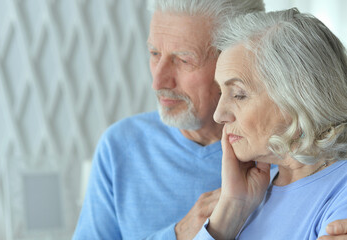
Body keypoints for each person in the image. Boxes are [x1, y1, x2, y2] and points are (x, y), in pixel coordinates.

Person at [72, 1, 347, 239]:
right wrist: (192, 230)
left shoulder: (273, 165)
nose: (157, 82)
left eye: (183, 60)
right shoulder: (120, 146)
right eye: (154, 54)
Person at [193, 8, 347, 240]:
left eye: (238, 94)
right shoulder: (252, 189)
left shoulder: (341, 193)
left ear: (299, 97)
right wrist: (231, 208)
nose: (219, 115)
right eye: (220, 92)